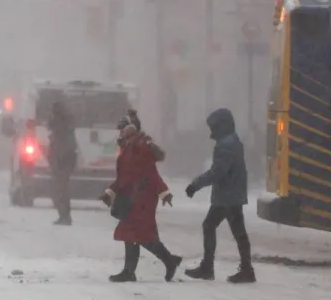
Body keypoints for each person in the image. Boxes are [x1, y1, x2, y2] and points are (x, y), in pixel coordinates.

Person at [101, 116, 181, 283]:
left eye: (122, 129)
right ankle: (166, 261)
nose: (120, 133)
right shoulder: (128, 149)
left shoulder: (138, 147)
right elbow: (124, 178)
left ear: (128, 131)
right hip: (133, 198)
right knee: (137, 235)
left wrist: (164, 192)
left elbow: (151, 173)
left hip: (142, 199)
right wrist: (109, 192)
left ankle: (135, 270)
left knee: (139, 234)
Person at [184, 107, 254, 283]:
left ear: (221, 126)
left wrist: (195, 185)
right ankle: (245, 269)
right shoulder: (232, 141)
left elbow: (217, 172)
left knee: (211, 226)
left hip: (227, 196)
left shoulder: (226, 145)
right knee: (238, 232)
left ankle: (210, 267)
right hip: (232, 194)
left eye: (213, 126)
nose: (211, 130)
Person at [47, 98, 78, 226]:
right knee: (61, 189)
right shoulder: (67, 128)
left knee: (60, 190)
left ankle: (64, 215)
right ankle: (64, 215)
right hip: (64, 162)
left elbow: (59, 149)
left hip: (61, 162)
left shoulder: (60, 129)